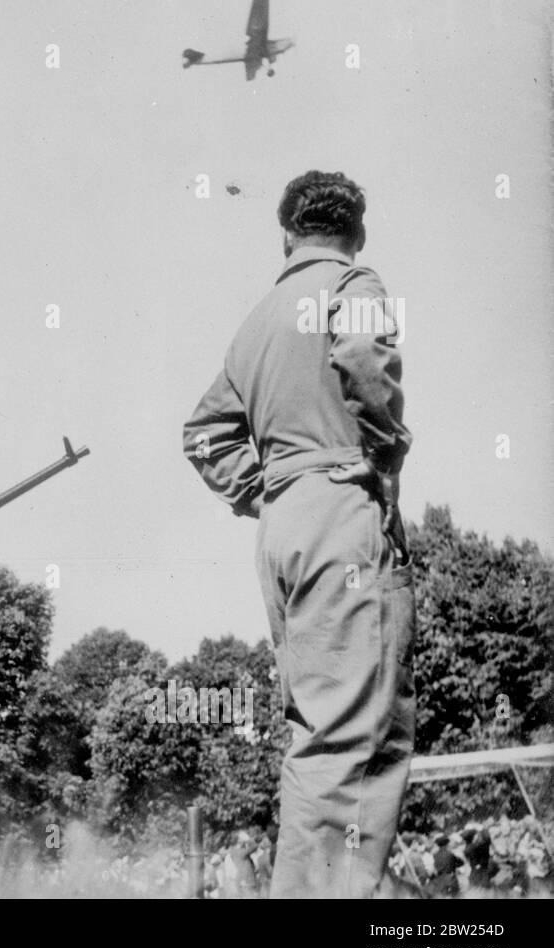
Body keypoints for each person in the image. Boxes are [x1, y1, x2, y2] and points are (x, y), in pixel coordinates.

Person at [183, 171, 415, 897]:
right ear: (358, 232)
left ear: (286, 234)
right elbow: (364, 362)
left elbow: (204, 434)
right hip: (343, 507)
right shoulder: (355, 282)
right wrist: (385, 453)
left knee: (317, 730)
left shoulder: (257, 319)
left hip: (284, 524)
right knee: (358, 737)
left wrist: (268, 491)